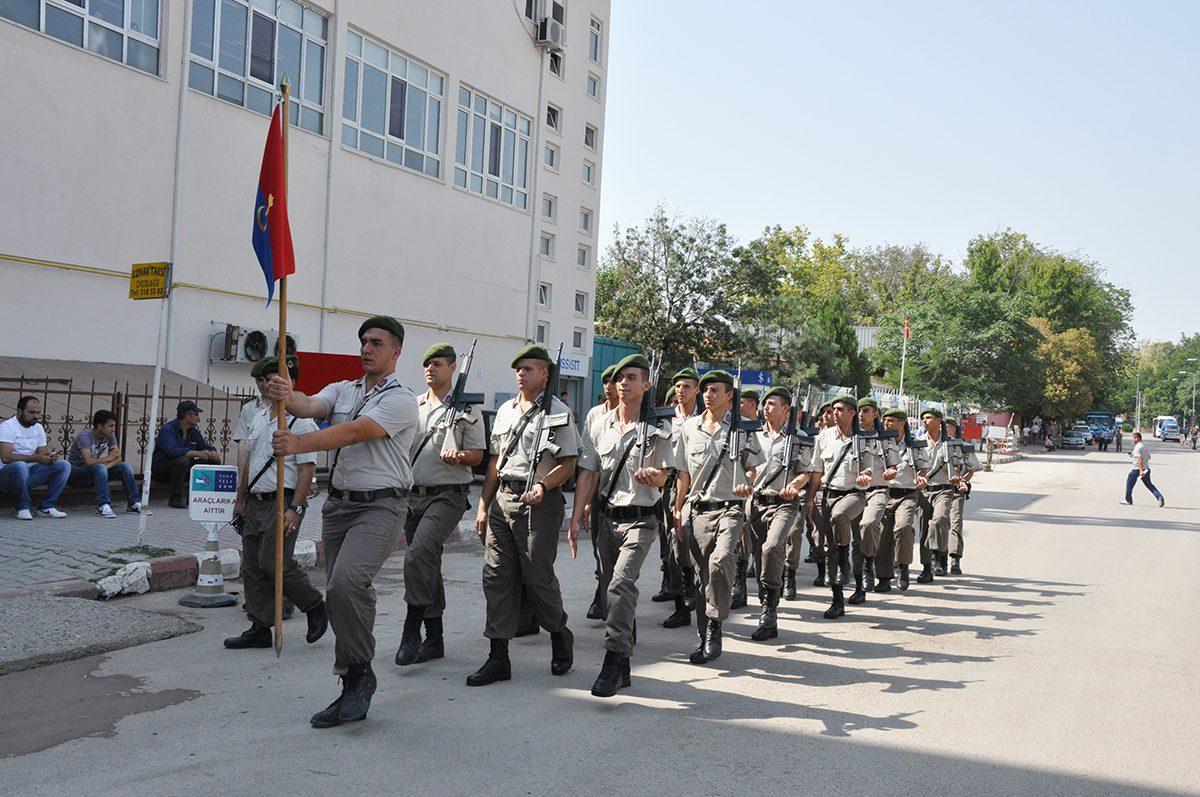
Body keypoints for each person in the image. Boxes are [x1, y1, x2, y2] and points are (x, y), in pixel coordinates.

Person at [266, 315, 419, 729]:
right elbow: (310, 405)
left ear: (396, 351)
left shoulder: (403, 398)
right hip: (339, 507)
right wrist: (287, 393)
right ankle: (354, 676)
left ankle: (358, 675)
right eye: (364, 342)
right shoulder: (344, 389)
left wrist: (298, 443)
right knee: (340, 596)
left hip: (381, 506)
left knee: (346, 583)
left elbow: (356, 432)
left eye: (377, 343)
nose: (367, 349)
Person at [468, 344, 578, 687]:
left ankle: (559, 631)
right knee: (496, 576)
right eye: (518, 369)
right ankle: (498, 656)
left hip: (540, 504)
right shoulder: (505, 411)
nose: (521, 374)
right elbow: (495, 464)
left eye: (529, 369)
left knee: (537, 577)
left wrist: (544, 486)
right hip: (504, 498)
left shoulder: (559, 413)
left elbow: (569, 463)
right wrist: (484, 505)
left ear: (545, 373)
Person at [569, 354, 673, 696]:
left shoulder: (660, 426)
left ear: (646, 384)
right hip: (607, 518)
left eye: (632, 377)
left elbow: (666, 475)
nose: (623, 383)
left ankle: (612, 662)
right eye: (619, 378)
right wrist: (576, 514)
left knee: (621, 585)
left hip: (641, 520)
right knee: (609, 590)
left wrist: (654, 477)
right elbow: (588, 471)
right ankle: (625, 662)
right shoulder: (599, 423)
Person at [224, 356, 328, 651]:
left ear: (290, 383)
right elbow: (249, 463)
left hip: (282, 501)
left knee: (275, 562)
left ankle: (314, 605)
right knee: (254, 565)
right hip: (255, 501)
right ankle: (259, 626)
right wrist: (240, 498)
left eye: (277, 379)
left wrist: (295, 507)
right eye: (267, 380)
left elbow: (307, 469)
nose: (270, 384)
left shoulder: (302, 423)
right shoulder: (258, 417)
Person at [394, 343, 486, 667]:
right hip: (413, 495)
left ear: (452, 367)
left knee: (418, 553)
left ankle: (411, 629)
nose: (430, 369)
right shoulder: (415, 406)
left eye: (437, 364)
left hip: (448, 494)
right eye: (426, 364)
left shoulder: (467, 407)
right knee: (427, 562)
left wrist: (460, 455)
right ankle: (435, 638)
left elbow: (478, 455)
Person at [672, 370, 763, 664]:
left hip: (731, 508)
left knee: (720, 560)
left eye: (715, 390)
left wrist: (745, 482)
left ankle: (715, 624)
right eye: (706, 390)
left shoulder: (743, 430)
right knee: (703, 578)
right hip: (699, 510)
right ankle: (706, 634)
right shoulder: (689, 428)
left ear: (729, 396)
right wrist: (677, 506)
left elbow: (752, 467)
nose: (708, 395)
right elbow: (683, 473)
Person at [746, 386, 809, 641]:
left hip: (784, 503)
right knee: (760, 556)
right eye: (765, 403)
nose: (766, 408)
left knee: (772, 548)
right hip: (757, 503)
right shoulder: (752, 435)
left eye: (772, 403)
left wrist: (794, 486)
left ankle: (769, 607)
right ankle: (767, 603)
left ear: (786, 409)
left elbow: (807, 471)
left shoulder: (798, 437)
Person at [808, 395, 871, 619]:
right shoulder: (824, 436)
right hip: (827, 494)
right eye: (833, 409)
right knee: (827, 546)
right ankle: (837, 601)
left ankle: (849, 567)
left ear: (852, 413)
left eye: (841, 409)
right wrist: (810, 499)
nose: (835, 413)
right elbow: (816, 470)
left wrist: (865, 477)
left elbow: (868, 470)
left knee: (840, 517)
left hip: (854, 494)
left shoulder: (863, 440)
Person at [657, 367, 703, 629]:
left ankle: (697, 586)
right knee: (672, 546)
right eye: (678, 386)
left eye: (686, 386)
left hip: (697, 485)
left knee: (693, 543)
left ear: (696, 390)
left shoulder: (704, 420)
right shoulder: (665, 420)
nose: (681, 391)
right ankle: (681, 601)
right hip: (671, 485)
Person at [873, 408, 927, 592]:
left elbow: (922, 468)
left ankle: (903, 567)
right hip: (885, 493)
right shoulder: (879, 444)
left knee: (903, 527)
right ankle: (884, 578)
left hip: (907, 494)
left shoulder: (915, 446)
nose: (887, 423)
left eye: (891, 420)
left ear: (902, 423)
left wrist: (921, 477)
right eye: (885, 420)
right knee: (883, 535)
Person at [580, 364, 618, 621]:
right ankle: (600, 592)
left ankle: (615, 600)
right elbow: (589, 464)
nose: (608, 385)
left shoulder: (636, 415)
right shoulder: (595, 415)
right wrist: (585, 502)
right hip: (600, 492)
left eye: (612, 381)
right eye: (605, 381)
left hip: (625, 492)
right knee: (599, 548)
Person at [0, 396, 70, 519]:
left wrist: (50, 457)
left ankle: (46, 506)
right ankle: (22, 507)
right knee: (20, 466)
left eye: (38, 413)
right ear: (20, 412)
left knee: (64, 465)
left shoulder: (37, 428)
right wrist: (36, 458)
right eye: (32, 413)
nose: (36, 416)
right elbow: (6, 457)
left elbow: (42, 453)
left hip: (29, 474)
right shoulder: (7, 427)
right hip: (7, 476)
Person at [848, 397, 889, 603]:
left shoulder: (884, 438)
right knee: (857, 541)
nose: (862, 414)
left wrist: (891, 471)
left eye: (866, 410)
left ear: (875, 414)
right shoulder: (851, 436)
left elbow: (894, 463)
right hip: (855, 492)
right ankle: (858, 587)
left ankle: (869, 562)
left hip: (877, 490)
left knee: (869, 523)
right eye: (859, 410)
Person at [66, 409, 141, 517]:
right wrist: (106, 460)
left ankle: (133, 503)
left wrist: (104, 468)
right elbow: (88, 462)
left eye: (114, 426)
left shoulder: (109, 435)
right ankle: (103, 505)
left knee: (125, 466)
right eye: (110, 426)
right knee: (100, 468)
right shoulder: (85, 436)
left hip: (96, 472)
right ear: (100, 426)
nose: (113, 429)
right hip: (76, 474)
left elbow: (118, 458)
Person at [152, 400, 220, 508]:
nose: (197, 417)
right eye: (196, 414)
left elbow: (204, 446)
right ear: (188, 415)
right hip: (162, 470)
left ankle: (199, 497)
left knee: (211, 460)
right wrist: (196, 453)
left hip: (184, 469)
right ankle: (176, 498)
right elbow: (171, 451)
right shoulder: (168, 429)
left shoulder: (193, 431)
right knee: (182, 461)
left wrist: (212, 452)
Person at [917, 408, 958, 583]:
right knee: (924, 529)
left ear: (939, 420)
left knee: (940, 519)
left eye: (929, 417)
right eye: (923, 418)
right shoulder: (917, 442)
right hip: (924, 490)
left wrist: (959, 476)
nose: (925, 421)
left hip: (944, 489)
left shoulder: (951, 443)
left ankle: (937, 555)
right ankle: (927, 568)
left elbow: (961, 465)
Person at [731, 387, 761, 610]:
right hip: (734, 490)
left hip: (752, 490)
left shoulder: (756, 430)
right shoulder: (733, 426)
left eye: (745, 402)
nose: (740, 406)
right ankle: (736, 580)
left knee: (747, 535)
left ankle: (743, 578)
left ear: (753, 406)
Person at [944, 418, 980, 575]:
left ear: (954, 429)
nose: (945, 430)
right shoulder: (933, 446)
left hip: (958, 490)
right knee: (937, 524)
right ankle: (937, 558)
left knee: (955, 522)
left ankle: (955, 559)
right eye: (943, 427)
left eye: (949, 427)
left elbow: (971, 469)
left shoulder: (965, 448)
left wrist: (963, 481)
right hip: (935, 490)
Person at [1120, 432, 1164, 507]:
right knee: (1149, 485)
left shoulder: (1138, 447)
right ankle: (1159, 496)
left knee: (1129, 484)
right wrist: (1133, 456)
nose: (1133, 440)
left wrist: (1141, 470)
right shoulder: (1145, 446)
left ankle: (1128, 500)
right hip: (1146, 469)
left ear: (1137, 438)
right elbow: (1149, 457)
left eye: (1134, 438)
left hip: (1137, 469)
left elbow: (1139, 459)